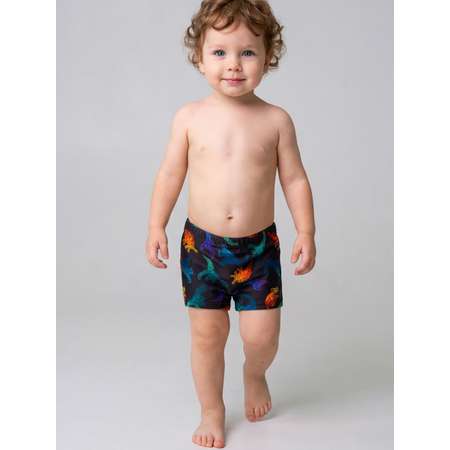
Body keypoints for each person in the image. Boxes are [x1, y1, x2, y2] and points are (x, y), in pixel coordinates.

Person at [145, 0, 316, 447]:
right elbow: (170, 174)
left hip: (258, 251)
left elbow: (295, 179)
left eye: (248, 52)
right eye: (220, 52)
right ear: (199, 57)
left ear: (268, 57)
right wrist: (156, 225)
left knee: (262, 337)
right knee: (207, 336)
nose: (234, 64)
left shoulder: (276, 121)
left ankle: (254, 374)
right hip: (201, 248)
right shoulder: (189, 118)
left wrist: (307, 231)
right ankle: (212, 410)